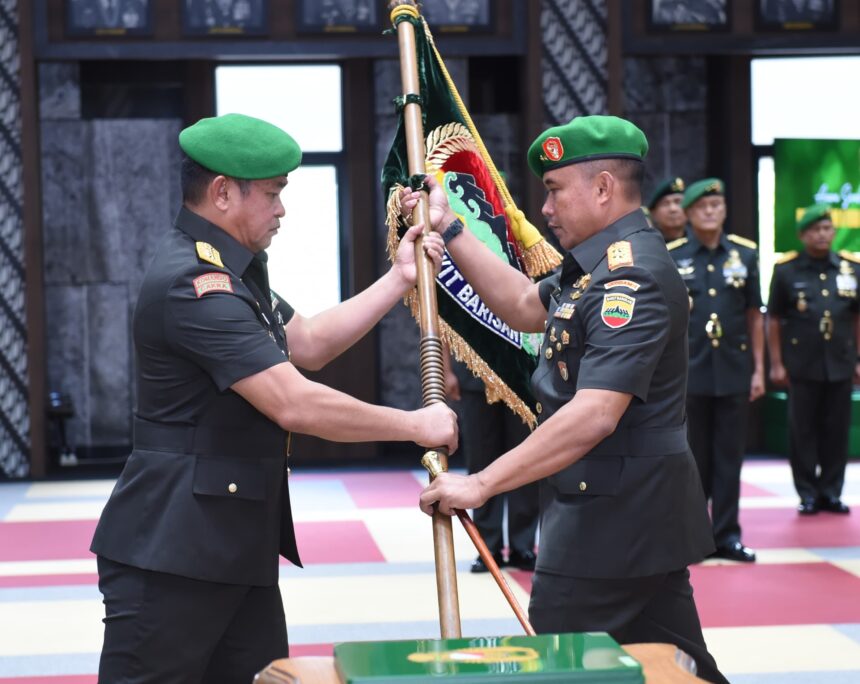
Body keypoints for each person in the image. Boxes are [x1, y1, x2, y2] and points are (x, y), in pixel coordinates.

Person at [89, 113, 458, 683]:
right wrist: (415, 424)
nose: (281, 209)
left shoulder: (237, 270)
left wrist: (399, 279)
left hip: (232, 542)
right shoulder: (194, 283)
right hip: (172, 553)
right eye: (272, 194)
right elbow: (294, 403)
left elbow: (305, 341)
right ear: (221, 193)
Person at [410, 115, 727, 683]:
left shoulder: (632, 279)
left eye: (555, 190)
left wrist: (481, 484)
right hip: (616, 511)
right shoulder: (597, 266)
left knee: (566, 666)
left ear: (603, 188)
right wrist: (452, 228)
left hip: (613, 522)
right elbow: (524, 306)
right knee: (679, 664)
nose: (546, 209)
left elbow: (594, 414)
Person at [667, 178, 765, 563]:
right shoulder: (673, 254)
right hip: (690, 370)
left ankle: (727, 535)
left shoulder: (745, 255)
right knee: (692, 458)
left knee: (730, 457)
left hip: (734, 368)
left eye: (717, 205)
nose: (711, 211)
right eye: (703, 207)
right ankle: (695, 537)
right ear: (689, 214)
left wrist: (758, 370)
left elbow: (754, 315)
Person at [767, 203, 857, 515]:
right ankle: (806, 492)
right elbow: (773, 319)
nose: (822, 234)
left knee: (837, 429)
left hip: (841, 362)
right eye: (815, 230)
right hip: (802, 364)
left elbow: (857, 318)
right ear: (803, 235)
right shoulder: (786, 270)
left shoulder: (850, 267)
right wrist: (776, 363)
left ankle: (831, 492)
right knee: (802, 430)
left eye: (827, 228)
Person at [443, 353, 538, 573]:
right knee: (481, 459)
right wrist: (446, 371)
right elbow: (445, 323)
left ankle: (523, 545)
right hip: (476, 372)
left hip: (522, 372)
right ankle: (487, 547)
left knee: (526, 460)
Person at [646, 176, 686, 242]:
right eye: (665, 203)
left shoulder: (702, 242)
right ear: (653, 213)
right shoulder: (645, 244)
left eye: (678, 202)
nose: (673, 209)